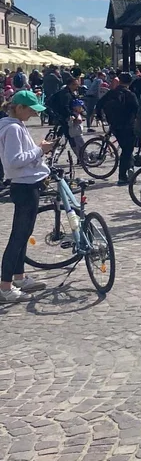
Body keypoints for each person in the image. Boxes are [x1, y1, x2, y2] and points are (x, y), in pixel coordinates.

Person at [0, 90, 52, 302]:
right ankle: (5, 286)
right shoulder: (12, 128)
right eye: (30, 110)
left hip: (26, 184)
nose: (32, 115)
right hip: (24, 185)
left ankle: (19, 277)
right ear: (19, 108)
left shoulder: (14, 125)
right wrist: (40, 150)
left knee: (23, 234)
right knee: (18, 237)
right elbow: (15, 160)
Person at [96, 72, 139, 184]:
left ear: (119, 81)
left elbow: (99, 104)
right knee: (127, 150)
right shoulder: (130, 95)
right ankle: (122, 176)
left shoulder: (111, 93)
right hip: (128, 126)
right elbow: (137, 110)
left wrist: (100, 117)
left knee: (126, 149)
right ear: (130, 82)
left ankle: (130, 168)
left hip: (114, 125)